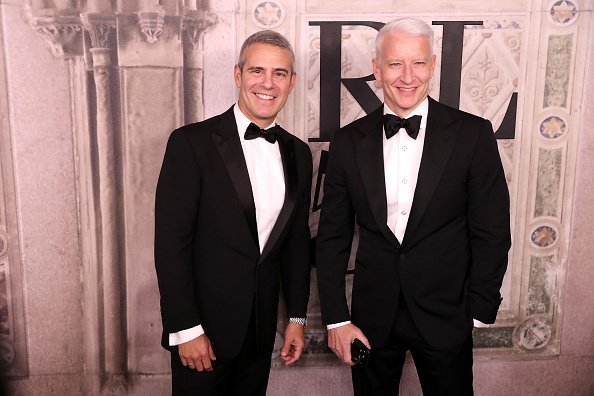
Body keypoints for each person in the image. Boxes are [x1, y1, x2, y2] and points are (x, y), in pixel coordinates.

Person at [315, 18, 511, 395]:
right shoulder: (348, 141)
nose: (407, 76)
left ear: (433, 65)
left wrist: (477, 308)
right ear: (376, 68)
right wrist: (337, 319)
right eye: (394, 64)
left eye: (418, 63)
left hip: (447, 313)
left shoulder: (473, 134)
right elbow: (332, 237)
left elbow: (492, 229)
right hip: (370, 317)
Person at [154, 30, 312, 395]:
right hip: (202, 336)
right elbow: (170, 245)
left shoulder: (299, 154)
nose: (267, 84)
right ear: (238, 75)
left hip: (258, 334)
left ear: (291, 82)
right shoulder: (190, 143)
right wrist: (186, 329)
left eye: (280, 73)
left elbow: (296, 244)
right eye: (257, 71)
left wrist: (296, 318)